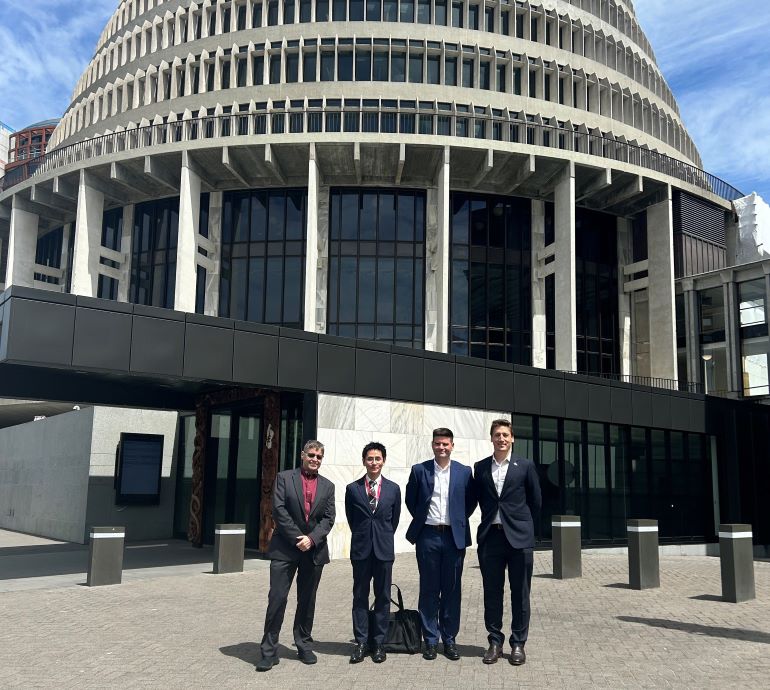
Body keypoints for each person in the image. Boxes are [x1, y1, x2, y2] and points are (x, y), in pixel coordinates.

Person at [257, 440, 335, 672]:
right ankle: (269, 652)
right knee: (277, 599)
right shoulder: (284, 478)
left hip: (314, 550)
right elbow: (278, 510)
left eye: (319, 457)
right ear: (302, 455)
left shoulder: (328, 486)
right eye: (311, 455)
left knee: (307, 600)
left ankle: (303, 645)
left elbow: (328, 518)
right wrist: (298, 537)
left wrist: (311, 539)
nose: (315, 459)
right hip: (285, 548)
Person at [473, 419, 541, 666]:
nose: (501, 439)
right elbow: (474, 499)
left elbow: (536, 502)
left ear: (512, 438)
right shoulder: (480, 468)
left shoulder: (525, 466)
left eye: (505, 435)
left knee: (520, 594)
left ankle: (518, 643)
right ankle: (494, 641)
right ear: (491, 438)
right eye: (497, 435)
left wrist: (523, 527)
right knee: (492, 593)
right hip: (491, 538)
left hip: (519, 539)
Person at [405, 428, 476, 661]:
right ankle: (430, 640)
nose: (441, 447)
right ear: (432, 445)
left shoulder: (464, 472)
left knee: (452, 590)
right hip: (428, 536)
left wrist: (456, 519)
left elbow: (471, 502)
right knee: (429, 589)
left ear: (452, 445)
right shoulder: (419, 470)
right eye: (437, 443)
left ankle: (449, 639)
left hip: (454, 537)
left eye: (445, 444)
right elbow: (411, 500)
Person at [345, 442, 401, 664]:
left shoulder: (393, 488)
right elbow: (352, 519)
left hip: (384, 550)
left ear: (383, 461)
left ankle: (378, 643)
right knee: (359, 596)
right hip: (361, 551)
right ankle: (361, 642)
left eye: (378, 459)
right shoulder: (353, 488)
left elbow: (393, 521)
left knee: (383, 597)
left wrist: (381, 537)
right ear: (364, 461)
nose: (374, 462)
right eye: (370, 459)